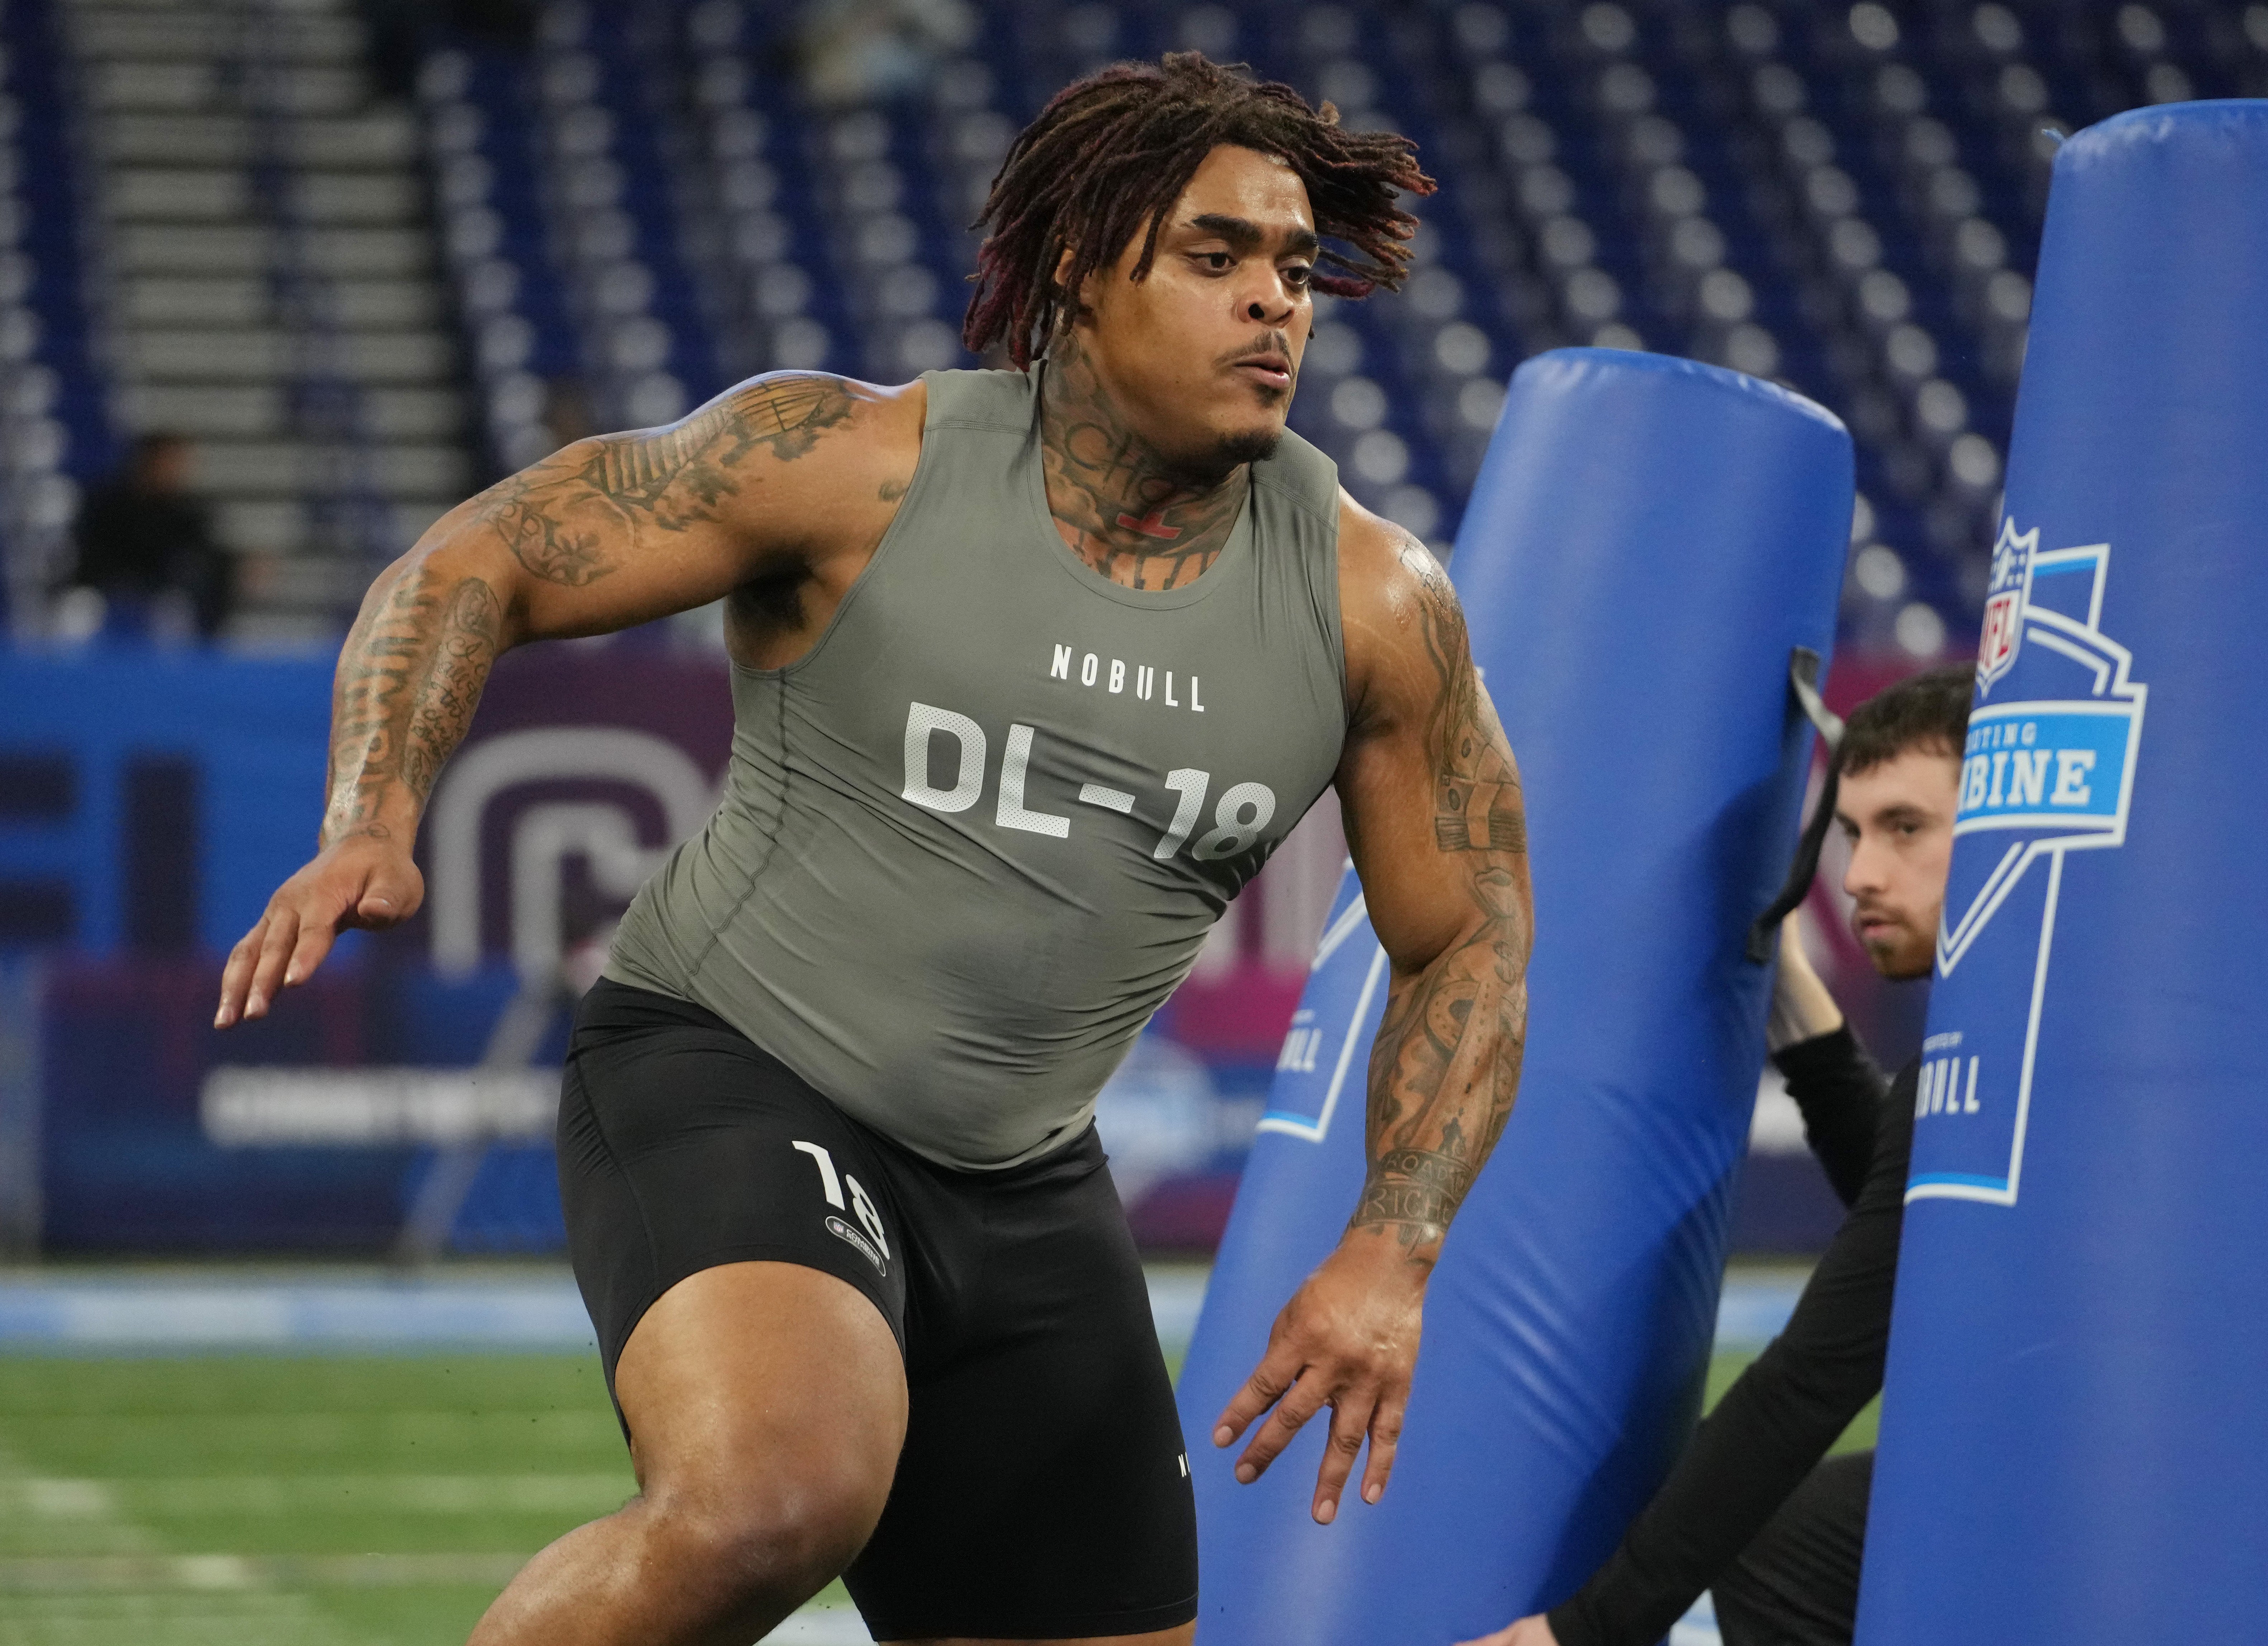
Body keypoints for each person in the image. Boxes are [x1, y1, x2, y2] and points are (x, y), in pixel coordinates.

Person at [215, 53, 1533, 1646]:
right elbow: (482, 554)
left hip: (1025, 1180)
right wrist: (373, 809)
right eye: (1214, 256)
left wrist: (1391, 1248)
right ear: (1078, 269)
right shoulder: (851, 465)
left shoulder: (1373, 603)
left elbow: (1469, 934)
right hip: (733, 1070)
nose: (1273, 303)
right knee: (776, 1493)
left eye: (1294, 268)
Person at [1460, 663, 1973, 1646]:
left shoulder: (2006, 1061)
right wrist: (1781, 991)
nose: (1858, 872)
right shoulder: (2003, 1056)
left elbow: (1807, 1383)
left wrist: (1585, 1630)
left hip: (2130, 1505)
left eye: (1904, 826)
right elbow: (1916, 1214)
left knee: (1778, 1538)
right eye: (1850, 831)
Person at [65, 432, 233, 642]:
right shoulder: (106, 505)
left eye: (178, 464)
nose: (173, 470)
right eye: (167, 461)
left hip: (162, 599)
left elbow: (205, 559)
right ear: (146, 461)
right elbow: (87, 557)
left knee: (174, 611)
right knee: (78, 609)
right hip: (106, 593)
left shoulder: (190, 514)